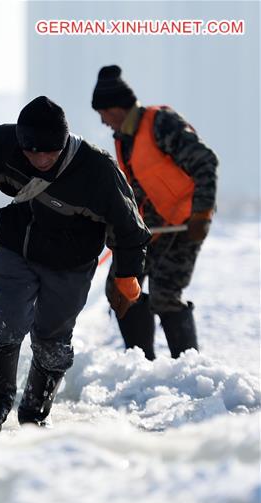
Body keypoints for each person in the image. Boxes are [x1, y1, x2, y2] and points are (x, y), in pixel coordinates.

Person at [0, 96, 151, 432]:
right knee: (8, 318)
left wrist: (127, 276)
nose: (40, 158)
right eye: (32, 151)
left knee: (53, 337)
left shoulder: (97, 171)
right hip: (16, 246)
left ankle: (35, 409)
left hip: (71, 262)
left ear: (64, 143)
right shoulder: (3, 147)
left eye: (49, 151)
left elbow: (130, 228)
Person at [92, 65, 218, 360]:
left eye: (103, 114)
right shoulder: (125, 139)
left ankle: (188, 368)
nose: (103, 122)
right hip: (152, 227)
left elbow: (206, 163)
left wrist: (202, 214)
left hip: (187, 223)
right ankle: (141, 364)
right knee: (122, 287)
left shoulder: (162, 124)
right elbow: (134, 191)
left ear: (115, 109)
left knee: (165, 293)